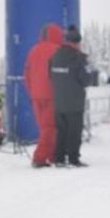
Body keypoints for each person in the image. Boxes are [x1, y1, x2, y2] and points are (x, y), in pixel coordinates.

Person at [49, 24, 93, 168]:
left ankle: (59, 157)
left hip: (59, 102)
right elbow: (86, 80)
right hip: (74, 103)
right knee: (74, 132)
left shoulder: (55, 56)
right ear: (77, 42)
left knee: (61, 131)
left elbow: (50, 75)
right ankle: (73, 158)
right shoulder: (79, 58)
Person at [22, 22, 63, 168]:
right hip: (52, 95)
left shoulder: (33, 51)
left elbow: (26, 75)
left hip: (36, 97)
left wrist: (32, 92)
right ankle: (39, 158)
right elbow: (61, 76)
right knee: (50, 128)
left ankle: (52, 156)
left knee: (45, 128)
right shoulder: (58, 50)